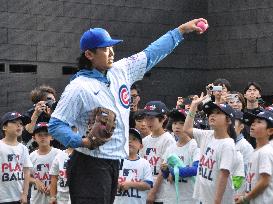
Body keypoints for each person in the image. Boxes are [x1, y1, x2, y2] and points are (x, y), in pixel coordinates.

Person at [48, 18, 208, 204]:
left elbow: (150, 54)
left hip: (113, 162)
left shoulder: (120, 70)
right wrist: (81, 140)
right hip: (89, 164)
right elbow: (56, 124)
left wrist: (180, 31)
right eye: (105, 48)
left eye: (112, 47)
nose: (111, 52)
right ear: (89, 54)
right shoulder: (78, 87)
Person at [183, 94, 237, 204]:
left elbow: (224, 175)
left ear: (228, 120)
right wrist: (193, 106)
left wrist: (216, 201)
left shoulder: (228, 144)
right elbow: (187, 129)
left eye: (218, 113)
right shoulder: (207, 135)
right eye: (211, 113)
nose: (212, 116)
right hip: (204, 198)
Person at [235, 111, 273, 203]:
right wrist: (243, 194)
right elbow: (252, 180)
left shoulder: (266, 152)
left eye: (259, 122)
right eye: (253, 121)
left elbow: (264, 181)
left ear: (270, 131)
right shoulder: (257, 151)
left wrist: (245, 198)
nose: (253, 124)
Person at [160, 108, 200, 204]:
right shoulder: (170, 147)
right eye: (174, 123)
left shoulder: (195, 145)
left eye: (182, 123)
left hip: (190, 199)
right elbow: (166, 175)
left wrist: (174, 171)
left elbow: (196, 169)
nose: (177, 126)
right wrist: (165, 170)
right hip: (171, 198)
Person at [139, 101, 176, 204]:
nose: (148, 122)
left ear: (163, 118)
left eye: (152, 118)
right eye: (146, 117)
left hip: (161, 195)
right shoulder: (145, 140)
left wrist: (153, 192)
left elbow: (164, 169)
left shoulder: (168, 140)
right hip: (144, 191)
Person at [0, 112, 32, 204]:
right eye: (14, 122)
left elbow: (26, 172)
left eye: (21, 123)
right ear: (4, 127)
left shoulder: (23, 148)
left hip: (19, 197)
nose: (19, 125)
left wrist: (25, 194)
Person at [114, 128, 153, 204]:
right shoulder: (116, 160)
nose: (130, 141)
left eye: (134, 139)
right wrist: (116, 184)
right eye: (127, 138)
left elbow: (148, 185)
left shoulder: (144, 163)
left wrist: (130, 184)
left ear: (141, 146)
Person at [29, 123, 61, 204]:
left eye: (46, 134)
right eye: (39, 135)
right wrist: (35, 181)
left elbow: (65, 175)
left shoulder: (59, 154)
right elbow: (25, 177)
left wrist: (53, 185)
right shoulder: (31, 156)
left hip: (56, 199)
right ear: (34, 138)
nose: (43, 137)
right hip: (36, 200)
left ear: (52, 137)